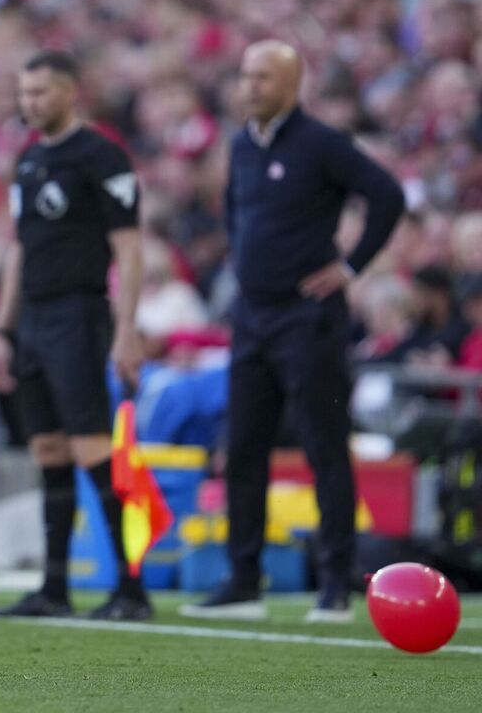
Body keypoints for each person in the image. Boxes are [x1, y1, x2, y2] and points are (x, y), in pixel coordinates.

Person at [180, 40, 404, 624]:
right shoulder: (241, 146)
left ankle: (335, 583)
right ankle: (244, 578)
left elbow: (388, 194)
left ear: (292, 82)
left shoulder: (321, 144)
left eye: (262, 77)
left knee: (323, 444)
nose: (250, 86)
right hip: (252, 318)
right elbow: (235, 213)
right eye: (245, 76)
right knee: (244, 447)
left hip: (308, 318)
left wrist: (350, 267)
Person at [0, 51, 152, 621]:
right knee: (49, 450)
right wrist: (2, 330)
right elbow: (19, 249)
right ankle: (54, 588)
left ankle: (133, 589)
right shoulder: (29, 162)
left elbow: (129, 248)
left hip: (79, 316)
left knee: (93, 449)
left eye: (40, 94)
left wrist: (126, 327)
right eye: (23, 94)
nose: (29, 104)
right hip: (31, 320)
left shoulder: (102, 156)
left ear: (69, 93)